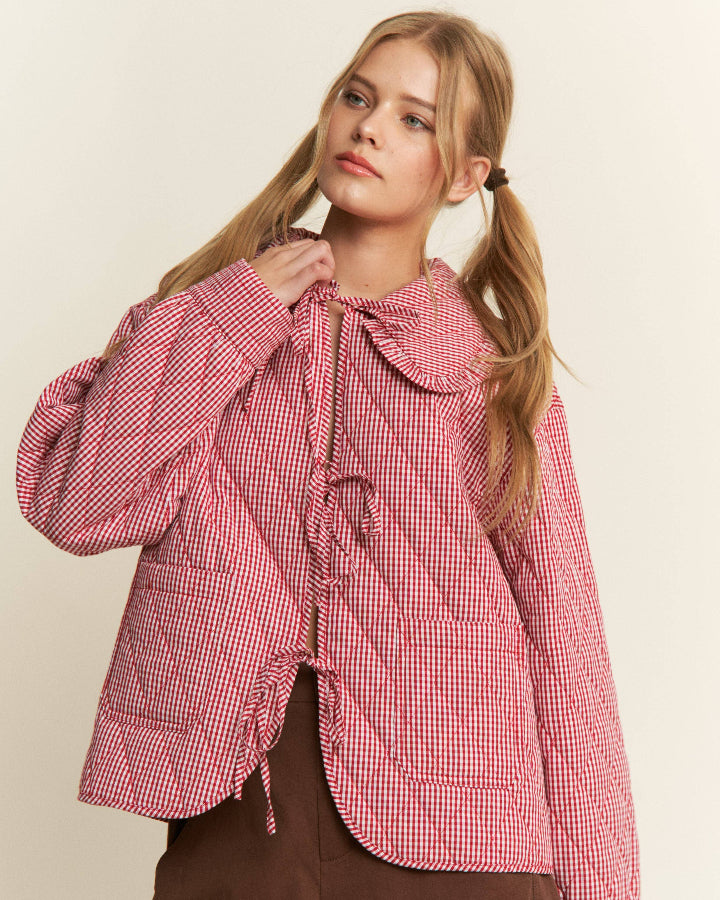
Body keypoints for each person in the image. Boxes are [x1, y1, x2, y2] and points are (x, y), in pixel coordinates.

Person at [15, 9, 640, 900]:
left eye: (414, 118)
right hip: (245, 812)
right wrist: (234, 316)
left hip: (465, 828)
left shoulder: (493, 376)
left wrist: (601, 886)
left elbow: (565, 643)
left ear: (466, 176)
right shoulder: (208, 317)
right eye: (357, 96)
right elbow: (77, 504)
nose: (370, 126)